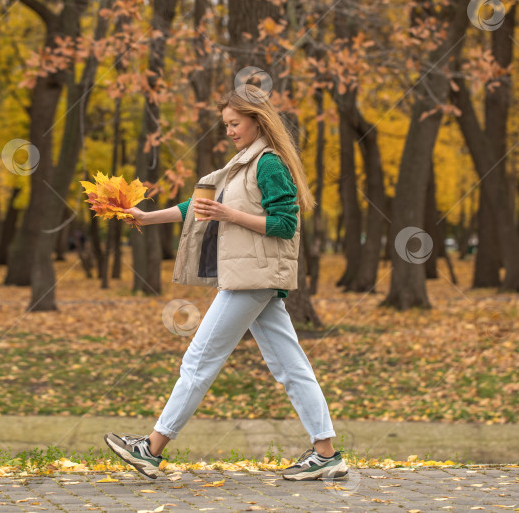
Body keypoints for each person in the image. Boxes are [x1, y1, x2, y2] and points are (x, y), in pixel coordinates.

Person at [104, 85, 347, 482]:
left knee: (199, 360)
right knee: (291, 366)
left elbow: (286, 225)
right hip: (252, 278)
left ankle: (151, 449)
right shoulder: (242, 164)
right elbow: (197, 205)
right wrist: (147, 217)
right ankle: (327, 454)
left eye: (235, 123)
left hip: (250, 279)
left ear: (257, 120)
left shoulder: (267, 163)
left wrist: (227, 214)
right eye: (226, 125)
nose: (230, 131)